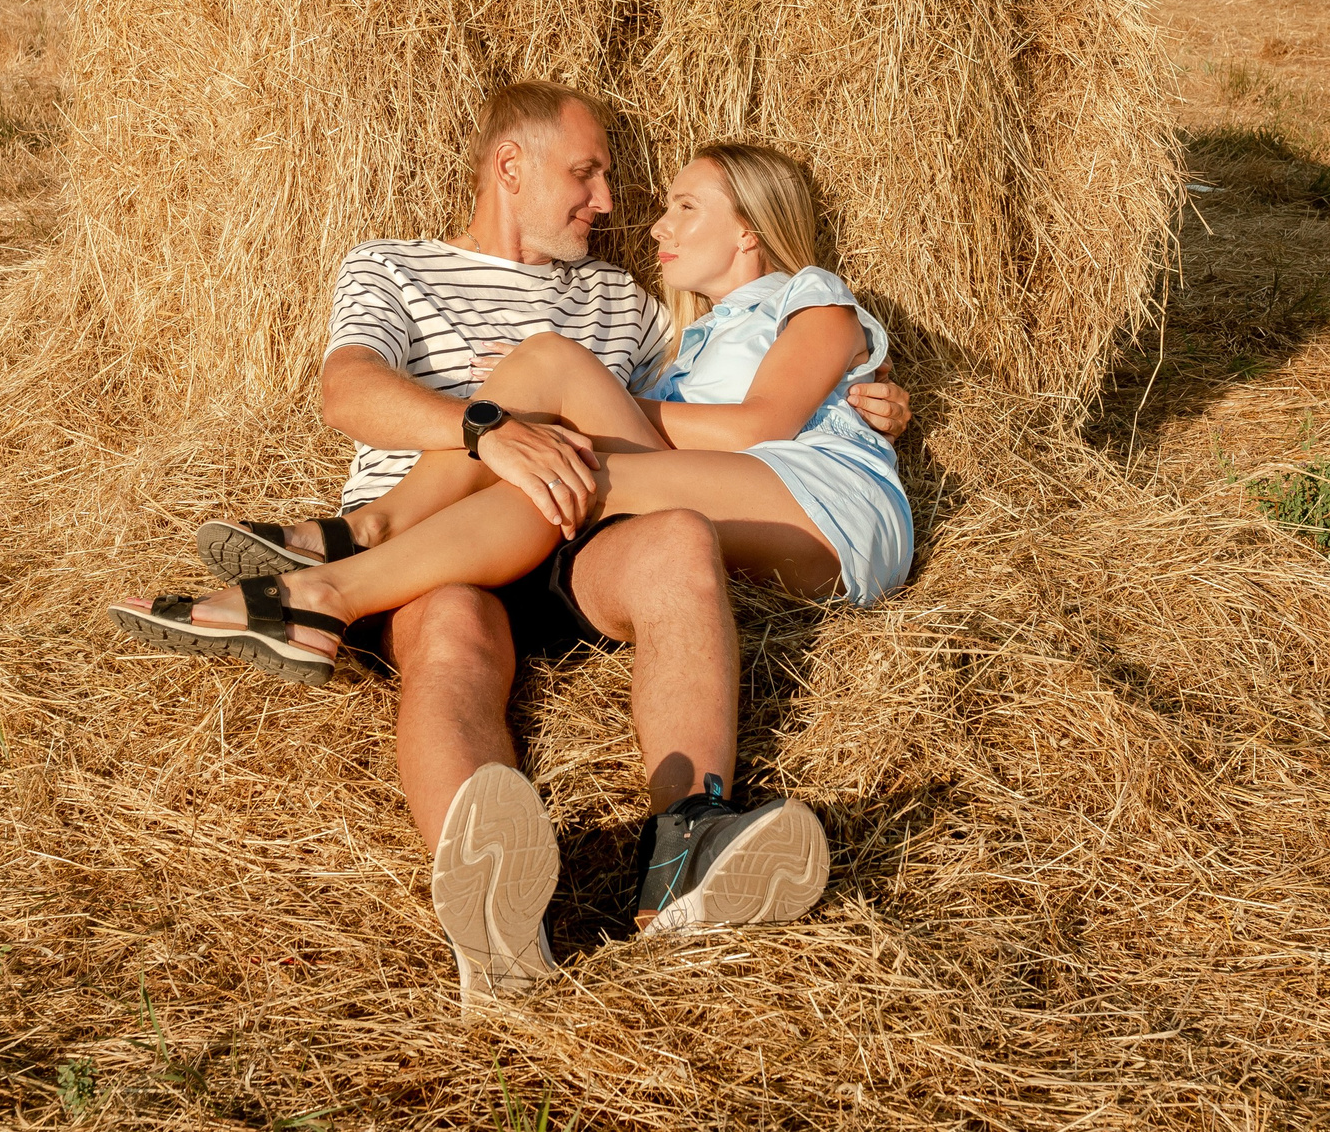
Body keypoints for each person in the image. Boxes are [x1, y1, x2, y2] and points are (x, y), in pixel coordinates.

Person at [108, 84, 911, 999]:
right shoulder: (393, 266)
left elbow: (716, 409)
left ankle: (687, 841)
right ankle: (496, 930)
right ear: (510, 167)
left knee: (680, 538)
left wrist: (863, 399)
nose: (610, 202)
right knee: (453, 636)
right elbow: (349, 394)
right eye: (586, 173)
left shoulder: (631, 305)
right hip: (443, 541)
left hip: (577, 525)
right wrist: (487, 429)